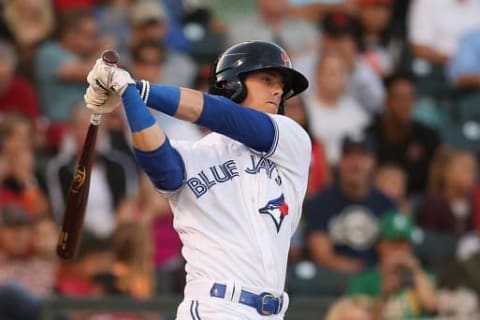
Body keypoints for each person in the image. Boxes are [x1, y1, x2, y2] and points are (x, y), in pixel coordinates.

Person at [84, 40, 311, 319]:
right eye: (266, 79)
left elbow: (224, 115)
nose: (278, 90)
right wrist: (127, 94)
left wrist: (138, 88)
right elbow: (159, 165)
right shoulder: (192, 152)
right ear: (232, 84)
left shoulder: (291, 140)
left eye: (281, 84)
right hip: (214, 306)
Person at [348, 211, 438, 319]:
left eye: (406, 243)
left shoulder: (424, 276)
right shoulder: (363, 281)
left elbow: (432, 306)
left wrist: (416, 271)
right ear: (380, 245)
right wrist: (384, 296)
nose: (401, 249)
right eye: (395, 243)